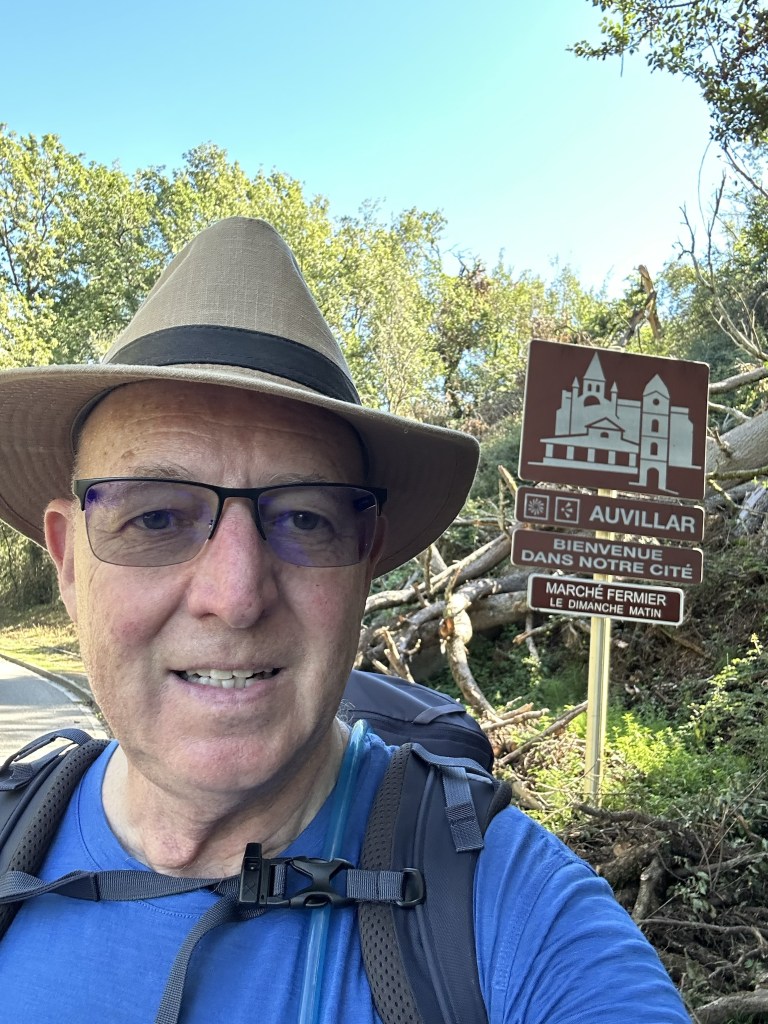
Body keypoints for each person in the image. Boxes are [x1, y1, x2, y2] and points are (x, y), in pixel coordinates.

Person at [0, 217, 690, 1023]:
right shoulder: (15, 831)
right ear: (70, 562)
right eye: (155, 518)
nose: (236, 595)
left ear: (366, 564)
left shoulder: (514, 915)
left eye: (305, 518)